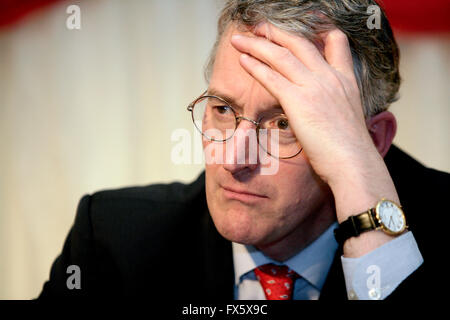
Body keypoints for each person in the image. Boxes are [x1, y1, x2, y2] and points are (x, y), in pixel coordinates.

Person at [38, 0, 449, 301]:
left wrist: (365, 204)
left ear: (372, 141)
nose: (233, 160)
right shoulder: (115, 240)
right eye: (223, 109)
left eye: (285, 124)